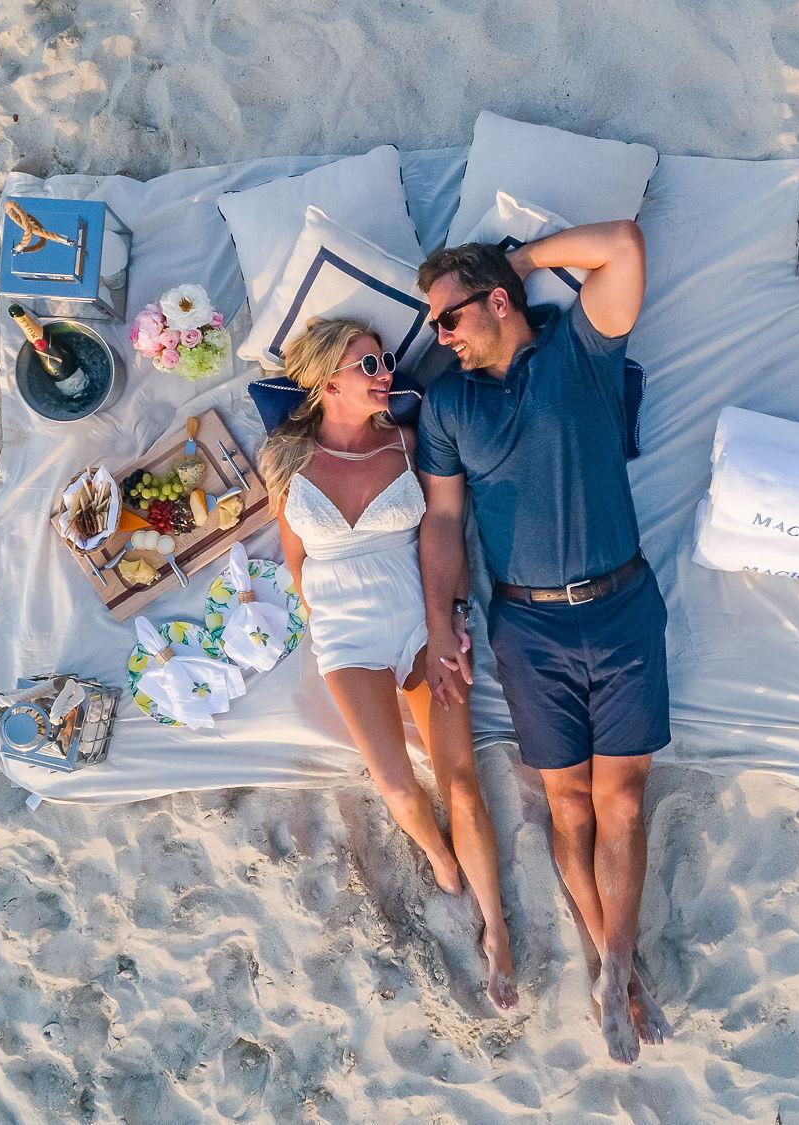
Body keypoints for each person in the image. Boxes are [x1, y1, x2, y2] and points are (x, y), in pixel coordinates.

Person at [414, 224, 671, 1063]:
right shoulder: (449, 405)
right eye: (432, 327)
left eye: (447, 318)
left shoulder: (581, 353)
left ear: (497, 302)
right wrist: (438, 616)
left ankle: (619, 962)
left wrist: (518, 263)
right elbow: (444, 520)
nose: (438, 337)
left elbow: (623, 247)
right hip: (527, 628)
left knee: (623, 802)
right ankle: (616, 971)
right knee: (569, 806)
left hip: (622, 606)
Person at [263, 318, 518, 1011]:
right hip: (347, 637)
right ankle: (438, 853)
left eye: (385, 359)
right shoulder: (287, 460)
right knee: (399, 786)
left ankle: (497, 929)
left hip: (419, 625)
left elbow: (448, 529)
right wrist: (325, 629)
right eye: (369, 362)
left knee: (461, 780)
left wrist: (451, 618)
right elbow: (296, 561)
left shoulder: (411, 443)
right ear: (326, 380)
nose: (386, 373)